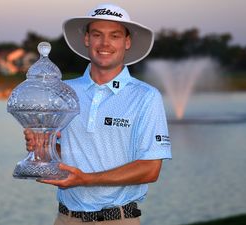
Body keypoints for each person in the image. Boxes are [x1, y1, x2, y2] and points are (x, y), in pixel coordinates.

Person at [24, 3, 172, 225]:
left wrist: (86, 180)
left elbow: (150, 169)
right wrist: (42, 147)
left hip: (118, 219)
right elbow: (62, 155)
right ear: (87, 40)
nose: (105, 43)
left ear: (127, 42)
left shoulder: (146, 97)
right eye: (97, 34)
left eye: (115, 35)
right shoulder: (63, 91)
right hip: (66, 219)